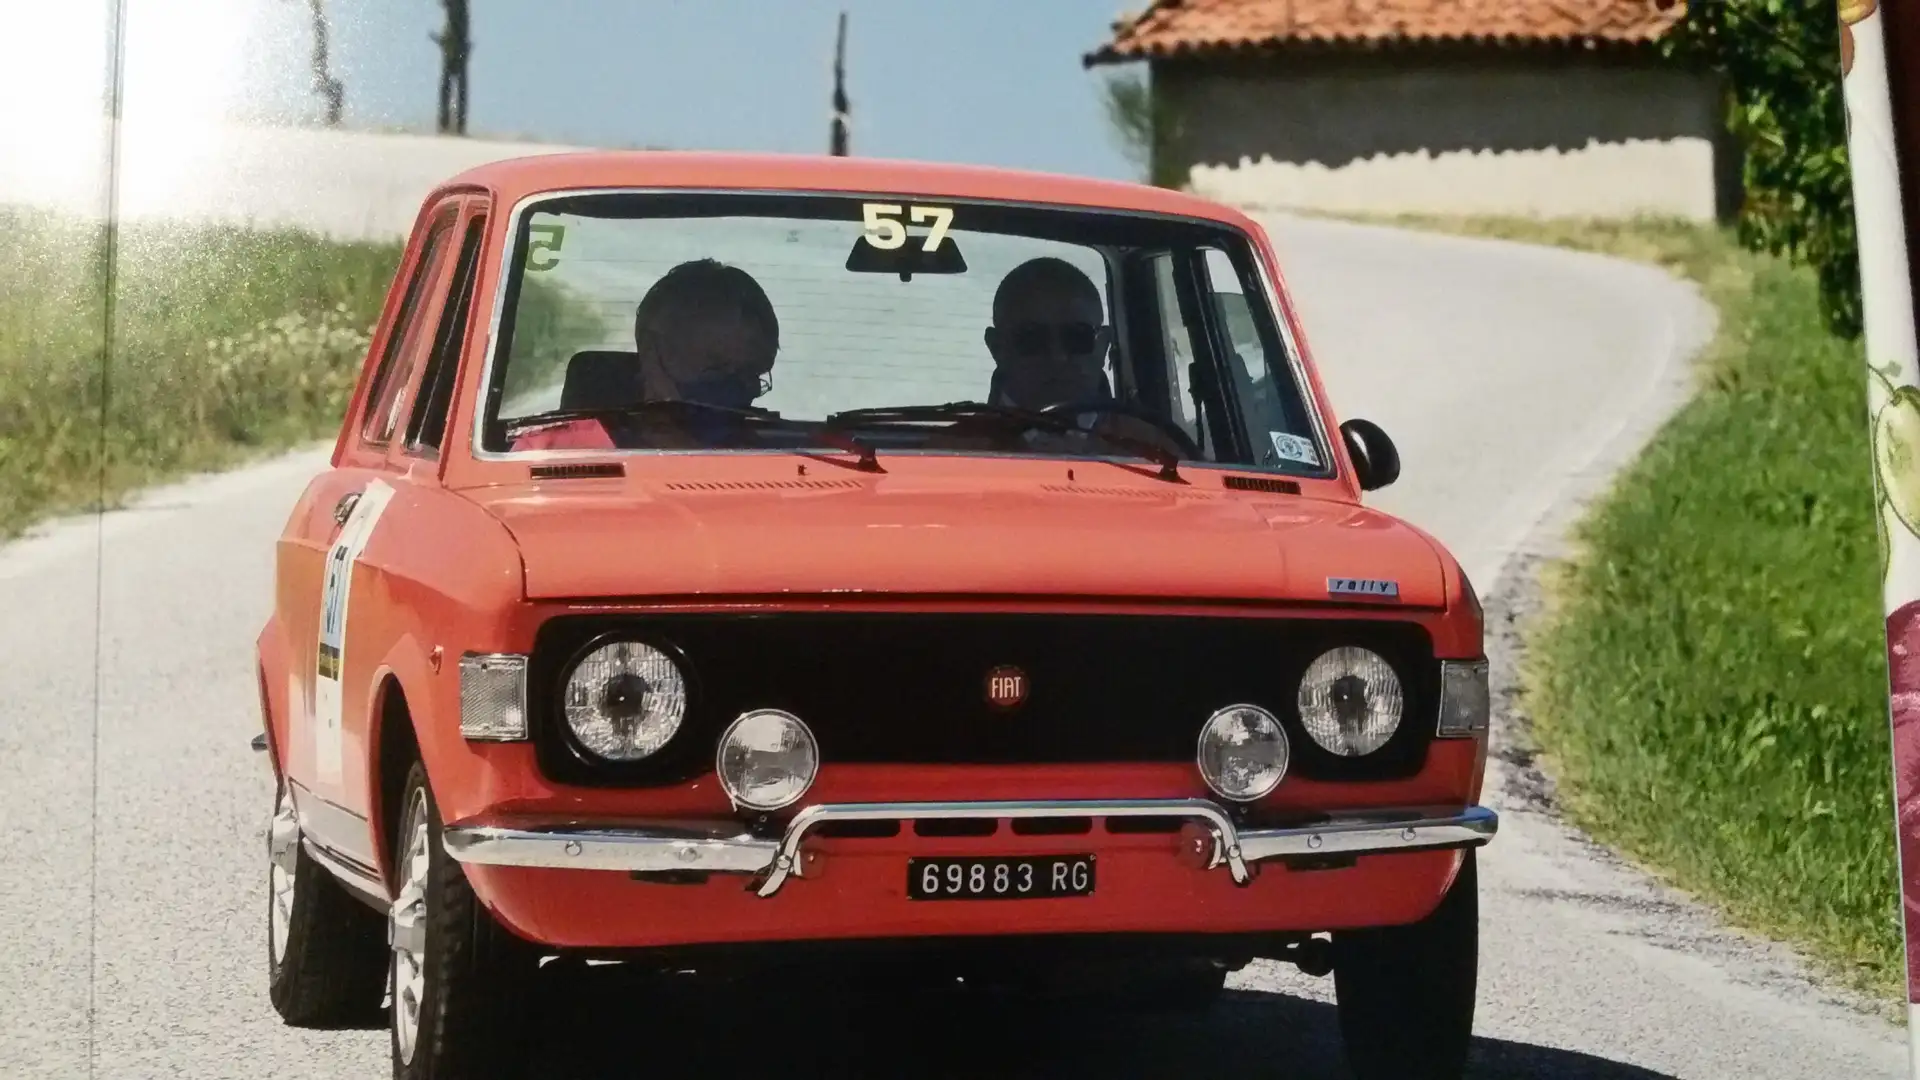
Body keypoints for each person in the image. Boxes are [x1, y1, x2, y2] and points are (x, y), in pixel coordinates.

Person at [513, 258, 779, 451]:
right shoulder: (549, 455)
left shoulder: (793, 458)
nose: (736, 390)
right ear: (652, 353)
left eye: (751, 373)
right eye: (716, 368)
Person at [981, 256, 1187, 458]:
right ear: (997, 347)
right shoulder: (955, 451)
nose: (1058, 357)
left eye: (1077, 337)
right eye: (1031, 339)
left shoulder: (1158, 453)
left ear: (1103, 345)